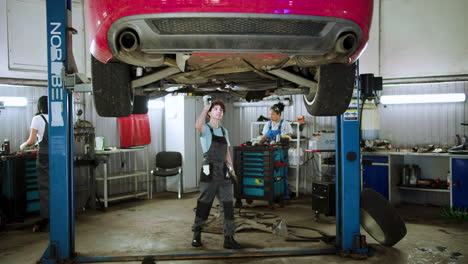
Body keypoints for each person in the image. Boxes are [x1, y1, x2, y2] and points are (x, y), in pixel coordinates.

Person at [191, 95, 241, 249]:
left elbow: (226, 152)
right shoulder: (206, 128)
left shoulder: (225, 131)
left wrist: (232, 169)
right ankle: (197, 234)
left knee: (227, 206)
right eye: (216, 109)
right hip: (209, 170)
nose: (219, 112)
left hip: (224, 171)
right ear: (210, 113)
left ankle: (229, 238)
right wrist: (205, 106)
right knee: (204, 203)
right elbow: (197, 125)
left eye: (221, 110)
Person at [20, 96, 49, 232]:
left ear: (40, 107)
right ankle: (59, 215)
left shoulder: (37, 119)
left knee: (45, 188)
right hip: (58, 156)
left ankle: (46, 218)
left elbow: (31, 141)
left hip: (44, 156)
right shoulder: (56, 118)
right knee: (57, 186)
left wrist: (22, 146)